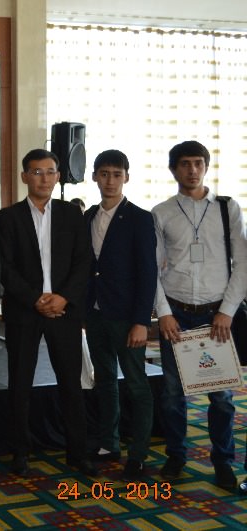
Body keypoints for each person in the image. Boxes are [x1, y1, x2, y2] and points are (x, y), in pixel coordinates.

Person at [0, 148, 97, 477]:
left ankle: (78, 453)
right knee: (20, 384)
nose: (44, 178)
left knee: (71, 383)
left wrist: (63, 298)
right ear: (25, 176)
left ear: (58, 176)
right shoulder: (7, 217)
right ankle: (20, 453)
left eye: (50, 171)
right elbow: (5, 268)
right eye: (37, 172)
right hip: (24, 312)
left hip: (64, 312)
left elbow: (83, 261)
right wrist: (35, 300)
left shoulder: (71, 214)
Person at [152, 140, 246, 489]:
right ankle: (176, 456)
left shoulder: (226, 208)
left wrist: (227, 311)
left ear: (206, 167)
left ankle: (223, 461)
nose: (192, 170)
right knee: (172, 394)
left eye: (198, 163)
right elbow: (152, 269)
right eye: (184, 164)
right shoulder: (161, 212)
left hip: (216, 316)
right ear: (173, 169)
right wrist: (163, 313)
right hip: (176, 314)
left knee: (221, 398)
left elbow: (243, 263)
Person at [83, 150, 156, 481]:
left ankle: (138, 454)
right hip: (95, 314)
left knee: (137, 385)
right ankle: (108, 444)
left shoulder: (140, 218)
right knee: (105, 380)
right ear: (94, 177)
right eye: (104, 174)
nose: (110, 181)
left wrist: (141, 321)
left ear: (126, 177)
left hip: (128, 318)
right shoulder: (87, 216)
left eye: (116, 174)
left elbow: (148, 274)